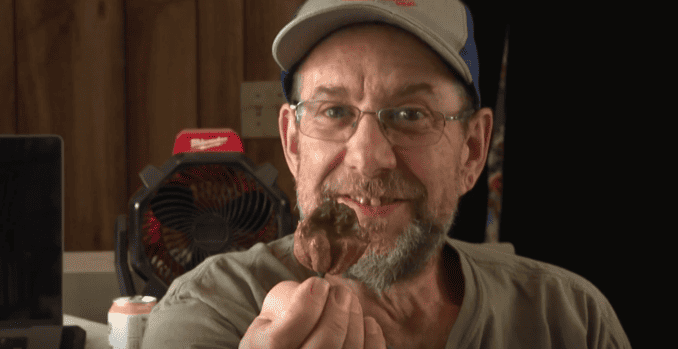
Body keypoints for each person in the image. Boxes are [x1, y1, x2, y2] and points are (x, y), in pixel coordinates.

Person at [141, 0, 632, 348]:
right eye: (334, 112)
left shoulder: (569, 321)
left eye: (411, 114)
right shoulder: (207, 312)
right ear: (292, 143)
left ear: (473, 150)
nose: (368, 157)